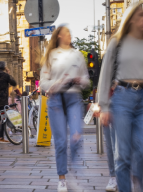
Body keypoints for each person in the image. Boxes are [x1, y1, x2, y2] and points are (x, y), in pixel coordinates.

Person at [98, 3, 143, 192]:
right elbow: (105, 74)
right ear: (130, 20)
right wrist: (104, 106)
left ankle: (138, 177)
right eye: (140, 15)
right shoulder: (117, 43)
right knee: (123, 155)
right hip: (122, 98)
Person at [39, 24, 89, 192]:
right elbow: (43, 84)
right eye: (66, 33)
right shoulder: (51, 56)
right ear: (59, 36)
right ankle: (62, 178)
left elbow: (87, 79)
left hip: (74, 97)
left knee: (76, 136)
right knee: (60, 142)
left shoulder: (77, 55)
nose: (69, 35)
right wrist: (57, 82)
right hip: (56, 100)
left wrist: (79, 80)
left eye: (70, 32)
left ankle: (74, 171)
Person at [0, 61, 17, 143]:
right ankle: (2, 137)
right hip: (3, 101)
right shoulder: (6, 76)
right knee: (3, 119)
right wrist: (8, 73)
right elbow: (14, 83)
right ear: (5, 67)